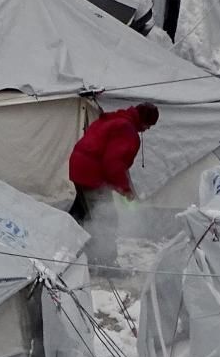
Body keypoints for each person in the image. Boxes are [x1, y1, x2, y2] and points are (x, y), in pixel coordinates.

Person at [68, 102, 160, 265]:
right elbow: (113, 163)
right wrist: (124, 189)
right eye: (149, 125)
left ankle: (65, 249)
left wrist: (128, 187)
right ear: (144, 121)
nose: (147, 129)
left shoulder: (116, 119)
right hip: (91, 173)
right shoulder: (126, 130)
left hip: (79, 167)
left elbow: (118, 164)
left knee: (81, 214)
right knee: (105, 219)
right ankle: (105, 262)